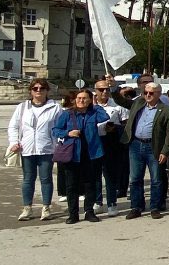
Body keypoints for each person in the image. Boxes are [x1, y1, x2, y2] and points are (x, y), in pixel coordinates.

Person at [52, 89, 111, 224]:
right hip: (72, 154)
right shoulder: (68, 114)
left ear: (90, 100)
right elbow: (55, 130)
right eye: (79, 98)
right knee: (71, 185)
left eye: (85, 98)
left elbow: (105, 117)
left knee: (90, 184)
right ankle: (73, 214)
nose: (81, 101)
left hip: (91, 153)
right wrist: (68, 133)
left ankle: (89, 211)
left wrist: (96, 104)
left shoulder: (94, 112)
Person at [7, 78, 62, 222]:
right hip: (27, 148)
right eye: (35, 88)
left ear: (47, 91)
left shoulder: (55, 107)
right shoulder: (22, 107)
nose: (38, 91)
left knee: (46, 179)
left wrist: (58, 144)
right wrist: (14, 142)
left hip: (46, 149)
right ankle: (27, 208)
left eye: (42, 88)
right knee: (28, 179)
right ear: (30, 91)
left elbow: (60, 127)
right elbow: (13, 126)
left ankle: (46, 208)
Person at [122, 80, 169, 219]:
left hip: (154, 147)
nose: (147, 95)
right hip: (136, 145)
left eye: (151, 93)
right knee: (135, 178)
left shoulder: (167, 110)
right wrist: (114, 87)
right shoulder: (138, 103)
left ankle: (155, 207)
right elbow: (121, 101)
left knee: (156, 179)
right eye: (145, 92)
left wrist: (165, 151)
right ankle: (136, 207)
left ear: (158, 94)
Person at [93, 79, 129, 216]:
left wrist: (115, 129)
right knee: (95, 174)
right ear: (95, 91)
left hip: (111, 141)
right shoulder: (91, 105)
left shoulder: (117, 105)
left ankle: (112, 203)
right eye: (101, 90)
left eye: (107, 89)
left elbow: (125, 123)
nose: (104, 92)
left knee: (110, 174)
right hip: (95, 141)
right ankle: (97, 201)